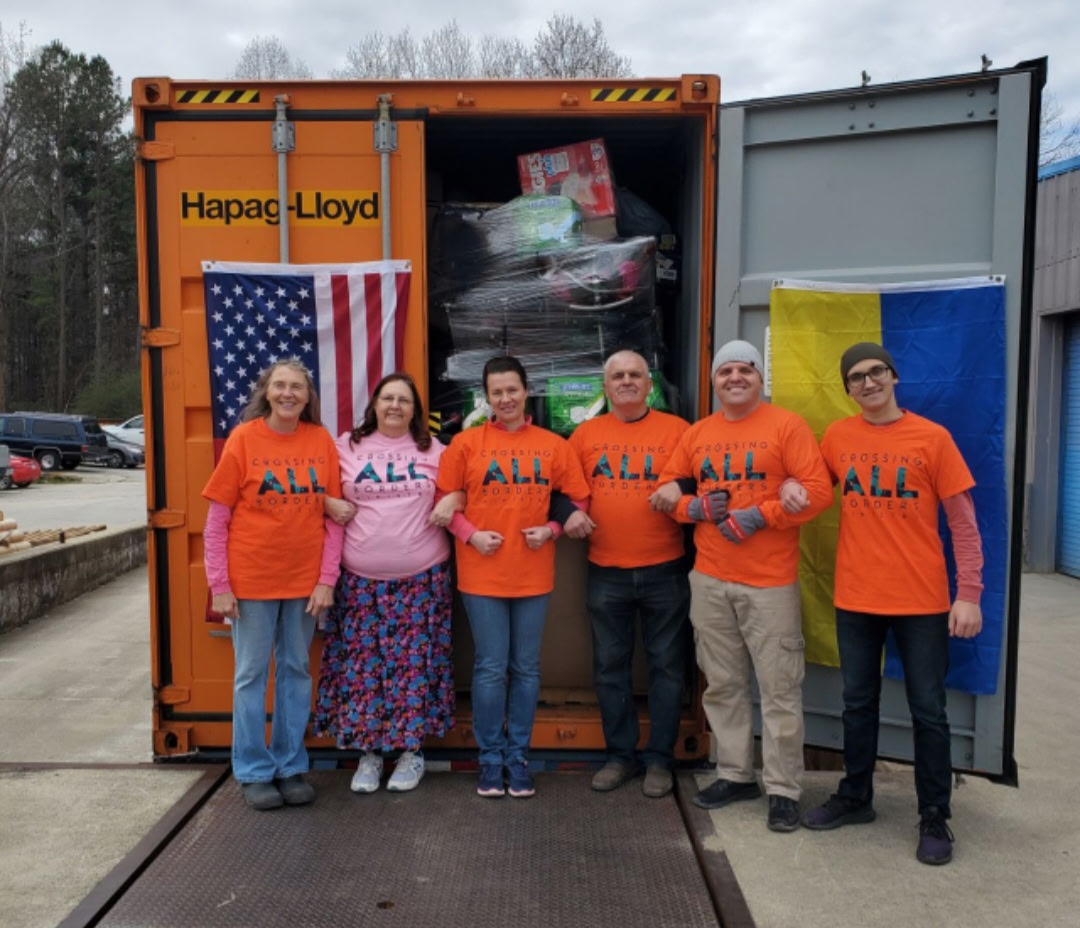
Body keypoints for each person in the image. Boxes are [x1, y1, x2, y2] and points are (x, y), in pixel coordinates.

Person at [800, 342, 983, 866]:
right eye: (855, 377)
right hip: (856, 597)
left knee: (929, 710)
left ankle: (934, 816)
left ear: (894, 376)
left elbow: (964, 523)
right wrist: (780, 498)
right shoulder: (838, 436)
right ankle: (856, 797)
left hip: (922, 600)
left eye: (875, 371)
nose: (868, 382)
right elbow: (813, 490)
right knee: (857, 703)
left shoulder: (933, 438)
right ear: (848, 389)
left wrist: (968, 593)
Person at [654, 339, 832, 832]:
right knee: (724, 684)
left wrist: (762, 515)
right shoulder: (699, 433)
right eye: (725, 370)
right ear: (713, 380)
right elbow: (668, 490)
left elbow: (818, 493)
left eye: (745, 369)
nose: (735, 377)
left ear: (759, 378)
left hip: (769, 584)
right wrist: (693, 508)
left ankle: (783, 788)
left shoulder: (786, 426)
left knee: (779, 689)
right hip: (710, 580)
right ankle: (735, 774)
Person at [436, 355, 590, 799]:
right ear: (486, 397)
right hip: (482, 574)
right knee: (489, 668)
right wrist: (470, 535)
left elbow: (580, 499)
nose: (505, 398)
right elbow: (445, 504)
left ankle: (518, 757)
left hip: (533, 574)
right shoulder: (465, 444)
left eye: (512, 390)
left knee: (525, 668)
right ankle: (489, 760)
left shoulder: (553, 445)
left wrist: (553, 529)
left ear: (527, 392)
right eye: (496, 392)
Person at [202, 359, 342, 811]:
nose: (288, 393)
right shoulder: (243, 439)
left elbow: (334, 515)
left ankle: (289, 764)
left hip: (303, 583)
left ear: (307, 395)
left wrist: (327, 579)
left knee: (297, 672)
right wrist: (219, 584)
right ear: (266, 392)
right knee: (250, 675)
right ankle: (253, 770)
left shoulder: (320, 440)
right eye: (279, 385)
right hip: (252, 581)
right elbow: (216, 521)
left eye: (296, 387)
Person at [313, 373, 457, 794]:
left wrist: (456, 498)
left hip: (422, 579)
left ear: (416, 411)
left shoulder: (436, 450)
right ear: (374, 404)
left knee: (415, 667)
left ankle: (412, 753)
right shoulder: (343, 448)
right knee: (363, 670)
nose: (395, 405)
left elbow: (463, 488)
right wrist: (326, 501)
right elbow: (311, 490)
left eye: (405, 400)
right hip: (359, 582)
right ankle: (369, 755)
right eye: (388, 398)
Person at [560, 349, 692, 799]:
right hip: (606, 571)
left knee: (668, 668)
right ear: (606, 386)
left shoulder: (678, 431)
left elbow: (704, 477)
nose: (627, 381)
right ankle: (620, 757)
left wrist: (684, 485)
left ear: (649, 384)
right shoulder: (585, 434)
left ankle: (660, 760)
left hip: (665, 569)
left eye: (636, 374)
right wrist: (566, 515)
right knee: (610, 670)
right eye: (617, 376)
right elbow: (560, 488)